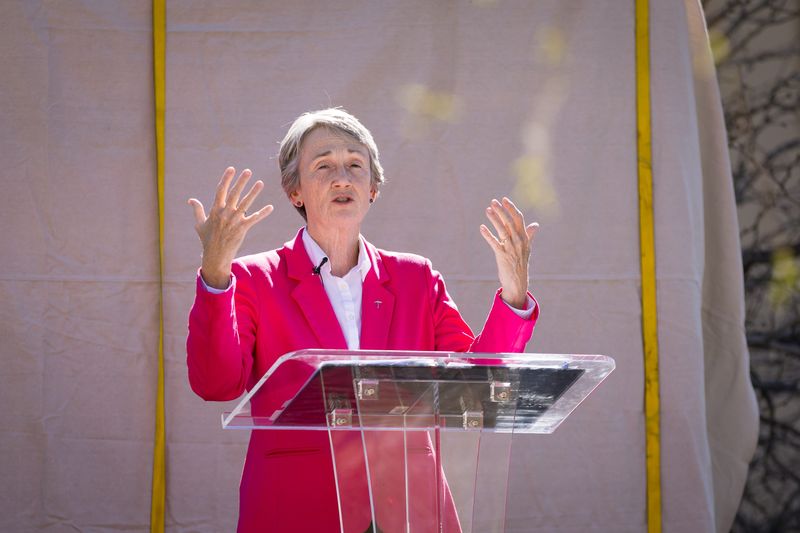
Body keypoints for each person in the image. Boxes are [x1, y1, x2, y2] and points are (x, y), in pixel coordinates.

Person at [186, 108, 540, 532]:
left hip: (409, 508)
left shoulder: (415, 278)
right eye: (324, 165)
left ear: (373, 188)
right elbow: (215, 383)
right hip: (298, 507)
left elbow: (477, 392)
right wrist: (215, 272)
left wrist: (514, 294)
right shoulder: (251, 278)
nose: (342, 177)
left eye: (356, 164)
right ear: (294, 190)